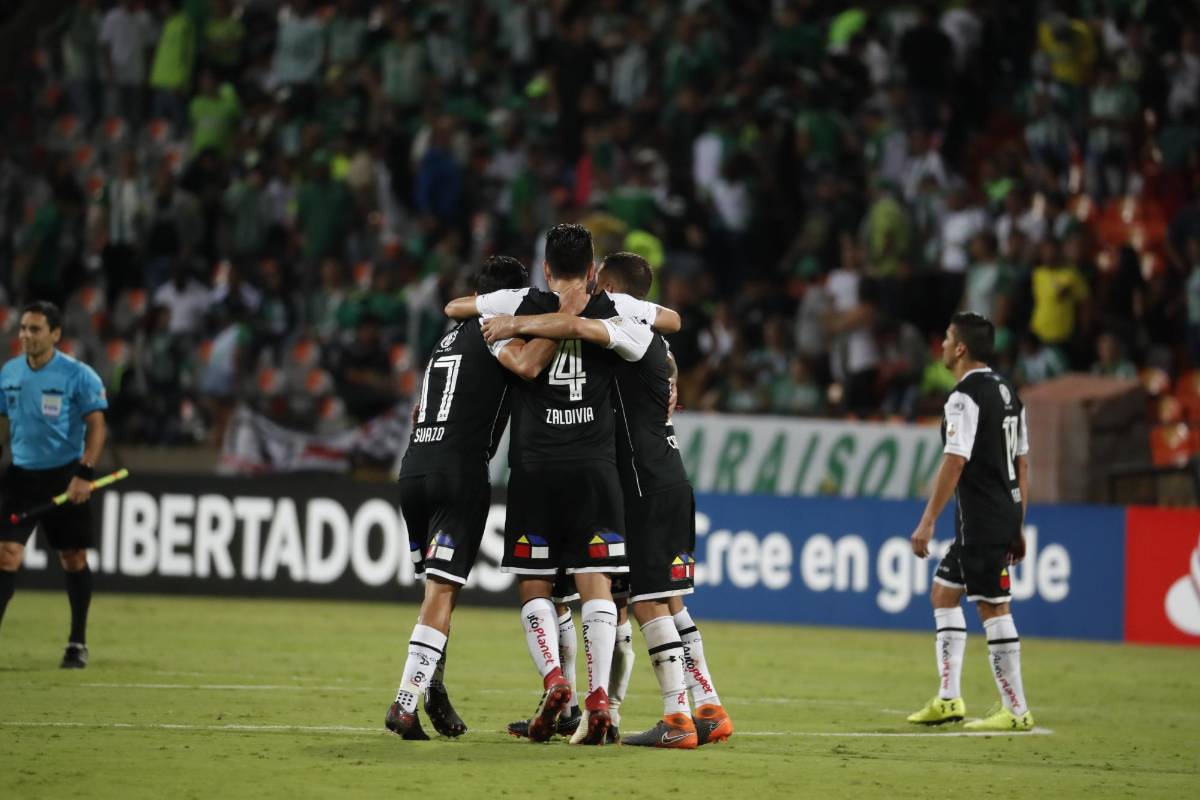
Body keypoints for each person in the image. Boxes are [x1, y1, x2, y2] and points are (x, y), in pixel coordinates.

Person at [482, 252, 733, 748]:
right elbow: (669, 328)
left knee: (638, 601)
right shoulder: (653, 340)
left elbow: (592, 329)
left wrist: (515, 321)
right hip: (666, 475)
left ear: (612, 289)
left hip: (638, 480)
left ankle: (673, 716)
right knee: (656, 599)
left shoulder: (619, 329)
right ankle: (703, 703)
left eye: (600, 287)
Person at [447, 225, 646, 745]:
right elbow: (664, 329)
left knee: (535, 585)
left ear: (545, 267)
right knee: (595, 579)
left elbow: (456, 309)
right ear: (593, 268)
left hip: (535, 466)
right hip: (595, 465)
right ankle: (599, 695)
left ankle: (556, 681)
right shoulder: (614, 309)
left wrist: (508, 318)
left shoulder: (520, 301)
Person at [384, 256, 531, 740]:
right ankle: (405, 701)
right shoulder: (499, 330)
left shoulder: (443, 342)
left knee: (434, 592)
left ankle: (433, 691)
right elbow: (527, 370)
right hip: (459, 471)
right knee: (442, 592)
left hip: (414, 469)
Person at [907, 312, 1035, 732]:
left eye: (946, 338)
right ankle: (949, 698)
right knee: (944, 595)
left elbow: (955, 460)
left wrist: (927, 521)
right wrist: (1018, 522)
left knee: (993, 607)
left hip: (981, 519)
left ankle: (1015, 709)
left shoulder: (964, 397)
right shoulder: (1007, 393)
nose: (941, 345)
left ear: (960, 347)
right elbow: (1021, 463)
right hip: (995, 517)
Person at [0, 302, 109, 668]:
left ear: (56, 334)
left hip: (65, 476)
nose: (26, 336)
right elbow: (3, 422)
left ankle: (77, 642)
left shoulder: (79, 375)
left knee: (73, 558)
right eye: (23, 329)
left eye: (35, 329)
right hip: (20, 477)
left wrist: (85, 473)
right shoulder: (9, 372)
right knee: (5, 554)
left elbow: (96, 425)